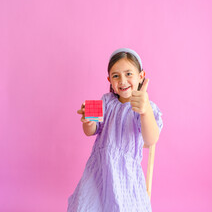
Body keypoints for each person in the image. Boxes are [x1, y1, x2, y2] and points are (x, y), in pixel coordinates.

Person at [67, 48, 163, 212]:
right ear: (109, 80)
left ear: (141, 76)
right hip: (99, 171)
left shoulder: (145, 107)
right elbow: (90, 130)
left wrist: (145, 110)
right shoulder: (106, 101)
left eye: (128, 74)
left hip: (125, 175)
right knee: (85, 205)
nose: (123, 81)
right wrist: (89, 121)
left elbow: (151, 138)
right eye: (116, 76)